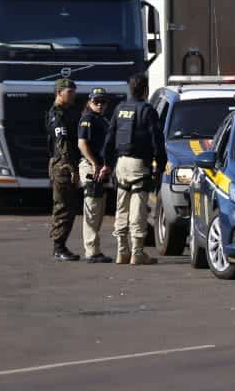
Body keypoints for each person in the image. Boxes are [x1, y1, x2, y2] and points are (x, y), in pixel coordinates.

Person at [103, 72, 166, 265]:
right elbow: (157, 141)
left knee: (121, 208)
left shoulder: (120, 108)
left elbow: (109, 138)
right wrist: (160, 166)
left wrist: (108, 164)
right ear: (145, 90)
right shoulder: (147, 111)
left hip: (121, 164)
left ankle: (122, 251)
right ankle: (137, 253)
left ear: (130, 89)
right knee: (138, 210)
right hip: (139, 164)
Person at [77, 88, 114, 264]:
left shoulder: (102, 119)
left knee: (98, 209)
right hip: (91, 167)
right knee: (92, 210)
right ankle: (91, 251)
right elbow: (82, 143)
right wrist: (93, 163)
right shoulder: (88, 119)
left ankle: (94, 249)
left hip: (101, 168)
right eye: (96, 101)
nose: (99, 105)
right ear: (89, 102)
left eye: (102, 102)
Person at [47, 78, 81, 262]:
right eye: (69, 92)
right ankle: (58, 247)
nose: (73, 95)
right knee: (63, 207)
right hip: (63, 165)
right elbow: (62, 143)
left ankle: (61, 245)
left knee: (70, 206)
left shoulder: (69, 112)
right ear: (59, 92)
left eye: (74, 91)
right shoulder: (57, 115)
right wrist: (71, 167)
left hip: (66, 164)